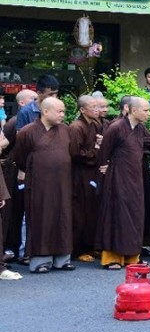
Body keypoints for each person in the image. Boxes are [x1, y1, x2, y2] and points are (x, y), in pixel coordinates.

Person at [13, 97, 75, 274]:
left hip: (62, 182)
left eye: (64, 111)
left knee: (63, 216)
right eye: (60, 111)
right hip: (39, 182)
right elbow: (20, 156)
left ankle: (62, 258)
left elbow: (72, 152)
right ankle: (41, 259)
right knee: (42, 217)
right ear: (45, 111)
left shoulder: (65, 130)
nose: (63, 115)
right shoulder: (28, 131)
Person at [97, 97, 150, 270]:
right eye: (146, 110)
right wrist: (104, 167)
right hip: (117, 177)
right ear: (133, 110)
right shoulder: (116, 127)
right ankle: (112, 257)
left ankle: (131, 256)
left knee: (134, 214)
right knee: (116, 214)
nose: (149, 114)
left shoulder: (141, 128)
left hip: (135, 178)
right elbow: (104, 152)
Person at [68, 95, 104, 262]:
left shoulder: (96, 124)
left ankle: (91, 245)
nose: (97, 109)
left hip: (93, 172)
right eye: (93, 106)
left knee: (92, 210)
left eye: (98, 106)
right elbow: (76, 153)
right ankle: (77, 249)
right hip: (80, 174)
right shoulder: (76, 127)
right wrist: (96, 151)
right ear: (82, 110)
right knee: (79, 212)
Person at [1, 89, 35, 262]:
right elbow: (4, 145)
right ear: (22, 103)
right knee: (13, 209)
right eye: (33, 99)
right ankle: (11, 247)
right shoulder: (14, 122)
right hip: (14, 171)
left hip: (27, 170)